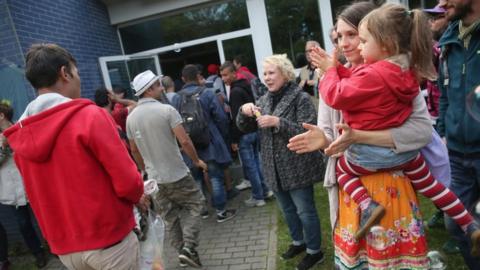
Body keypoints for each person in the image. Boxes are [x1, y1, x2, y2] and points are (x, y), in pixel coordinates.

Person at [312, 3, 480, 250]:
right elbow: (359, 82)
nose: (353, 45)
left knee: (343, 171)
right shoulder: (405, 70)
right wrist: (337, 70)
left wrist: (328, 75)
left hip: (369, 158)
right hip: (407, 157)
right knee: (435, 188)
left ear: (385, 43)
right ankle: (470, 225)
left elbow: (338, 95)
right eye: (339, 37)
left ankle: (368, 206)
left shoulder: (371, 74)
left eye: (359, 38)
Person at [288, 2, 434, 268]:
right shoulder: (332, 77)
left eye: (352, 35)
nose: (343, 44)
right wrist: (324, 141)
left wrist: (360, 136)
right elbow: (332, 137)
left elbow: (422, 131)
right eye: (338, 37)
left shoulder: (394, 74)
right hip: (354, 192)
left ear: (378, 36)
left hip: (390, 190)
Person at [3, 43, 148, 270]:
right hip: (109, 241)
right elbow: (128, 182)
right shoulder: (90, 116)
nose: (79, 79)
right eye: (76, 72)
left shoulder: (20, 135)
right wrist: (139, 194)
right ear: (65, 73)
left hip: (66, 250)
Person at [237, 54, 325, 270]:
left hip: (297, 165)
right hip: (272, 167)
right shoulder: (264, 99)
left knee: (305, 210)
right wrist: (243, 112)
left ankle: (315, 251)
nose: (266, 77)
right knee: (287, 210)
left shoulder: (300, 97)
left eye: (271, 73)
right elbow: (245, 128)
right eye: (264, 73)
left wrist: (278, 122)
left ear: (285, 74)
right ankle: (298, 242)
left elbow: (308, 131)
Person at [126, 70, 208, 268]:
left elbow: (134, 149)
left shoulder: (131, 118)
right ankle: (189, 247)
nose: (161, 87)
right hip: (177, 173)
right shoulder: (167, 111)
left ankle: (184, 255)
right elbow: (185, 141)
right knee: (196, 204)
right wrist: (197, 161)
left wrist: (144, 168)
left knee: (170, 218)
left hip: (154, 179)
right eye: (158, 84)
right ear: (149, 89)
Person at [437, 0, 480, 268]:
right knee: (456, 224)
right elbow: (444, 93)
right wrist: (443, 131)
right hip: (456, 153)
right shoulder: (448, 39)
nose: (440, 3)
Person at [172, 64, 237, 223]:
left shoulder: (176, 98)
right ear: (198, 76)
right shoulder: (207, 93)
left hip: (189, 144)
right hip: (210, 142)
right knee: (215, 177)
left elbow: (175, 124)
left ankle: (203, 211)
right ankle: (221, 212)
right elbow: (221, 118)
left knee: (197, 179)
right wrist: (222, 136)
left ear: (183, 79)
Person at [0, 100, 47, 269]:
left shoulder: (21, 128)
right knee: (23, 224)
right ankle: (38, 252)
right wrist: (3, 147)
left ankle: (55, 246)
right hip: (12, 189)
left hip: (31, 183)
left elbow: (32, 150)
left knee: (45, 217)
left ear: (2, 115)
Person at [219, 61, 272, 207]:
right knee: (257, 162)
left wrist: (234, 139)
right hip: (254, 130)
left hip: (244, 133)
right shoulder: (245, 85)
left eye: (225, 75)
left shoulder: (235, 92)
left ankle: (258, 197)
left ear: (233, 73)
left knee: (251, 166)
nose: (223, 79)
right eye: (221, 76)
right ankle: (266, 191)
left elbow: (237, 118)